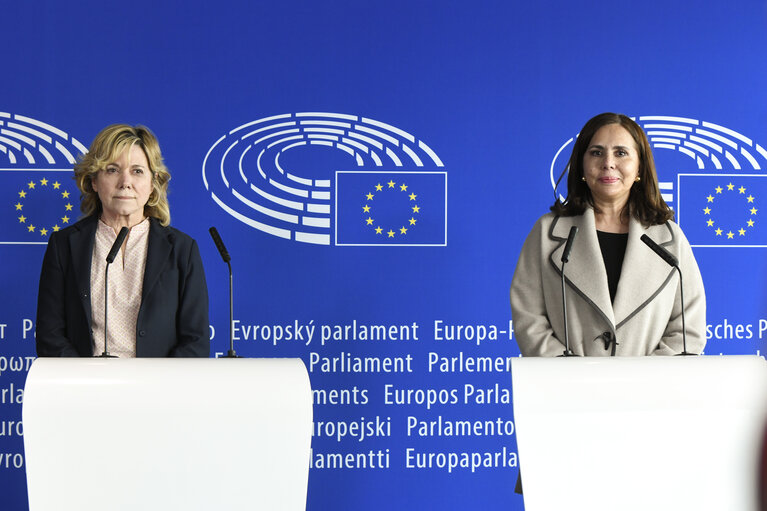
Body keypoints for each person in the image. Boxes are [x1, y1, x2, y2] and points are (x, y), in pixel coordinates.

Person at [510, 113, 706, 356]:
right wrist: (570, 373)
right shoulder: (547, 233)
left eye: (621, 153)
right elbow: (529, 318)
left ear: (639, 167)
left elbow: (688, 329)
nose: (608, 163)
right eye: (596, 152)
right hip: (568, 389)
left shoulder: (670, 239)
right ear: (581, 164)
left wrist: (644, 379)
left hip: (649, 390)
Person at [36, 124, 209, 357]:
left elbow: (195, 342)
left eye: (137, 171)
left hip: (159, 389)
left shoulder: (182, 250)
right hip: (85, 388)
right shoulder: (64, 245)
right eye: (112, 170)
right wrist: (86, 381)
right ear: (94, 181)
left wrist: (156, 386)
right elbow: (50, 336)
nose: (125, 182)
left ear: (152, 183)